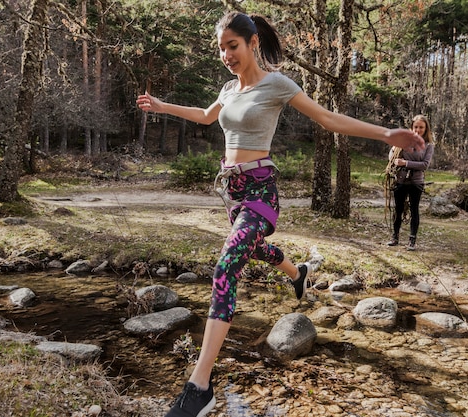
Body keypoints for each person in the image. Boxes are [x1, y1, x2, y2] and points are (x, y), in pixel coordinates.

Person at [136, 11, 425, 417]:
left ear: (252, 43)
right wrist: (163, 105)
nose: (225, 55)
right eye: (220, 48)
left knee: (225, 267)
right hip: (233, 196)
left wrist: (384, 134)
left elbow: (327, 119)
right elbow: (205, 115)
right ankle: (298, 272)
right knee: (251, 249)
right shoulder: (228, 89)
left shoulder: (277, 84)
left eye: (232, 46)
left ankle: (199, 386)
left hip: (261, 193)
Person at [386, 114, 435, 251]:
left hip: (416, 181)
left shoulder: (428, 145)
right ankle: (394, 237)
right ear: (412, 127)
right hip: (400, 179)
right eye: (416, 127)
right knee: (398, 209)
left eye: (421, 127)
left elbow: (424, 165)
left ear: (426, 129)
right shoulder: (403, 141)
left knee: (414, 210)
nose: (418, 130)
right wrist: (395, 159)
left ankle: (412, 241)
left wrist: (405, 163)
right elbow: (392, 155)